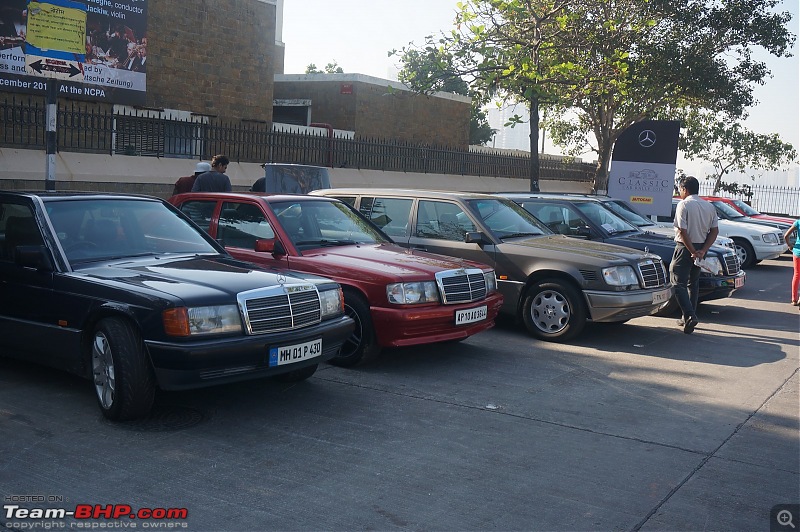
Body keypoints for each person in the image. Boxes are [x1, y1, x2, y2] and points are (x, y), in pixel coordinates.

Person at [671, 176, 719, 334]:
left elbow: (682, 231)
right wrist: (702, 250)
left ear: (685, 189)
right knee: (693, 283)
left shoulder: (683, 205)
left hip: (685, 248)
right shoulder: (709, 206)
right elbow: (714, 231)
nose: (680, 193)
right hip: (701, 247)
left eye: (680, 190)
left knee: (678, 282)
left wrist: (692, 251)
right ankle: (688, 316)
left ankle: (689, 315)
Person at [784, 218, 800, 306]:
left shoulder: (798, 223)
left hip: (797, 251)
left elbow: (786, 236)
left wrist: (790, 245)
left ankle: (794, 299)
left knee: (797, 274)